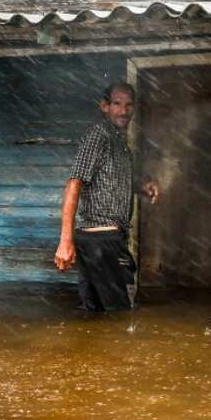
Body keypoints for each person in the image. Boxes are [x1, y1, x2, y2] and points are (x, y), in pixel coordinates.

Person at [54, 82, 159, 311]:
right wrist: (65, 241)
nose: (124, 111)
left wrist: (141, 186)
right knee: (121, 315)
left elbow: (110, 181)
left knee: (95, 315)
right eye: (117, 104)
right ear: (104, 106)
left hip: (100, 244)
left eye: (129, 105)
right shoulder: (98, 136)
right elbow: (73, 184)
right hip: (102, 242)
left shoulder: (119, 142)